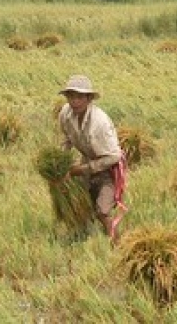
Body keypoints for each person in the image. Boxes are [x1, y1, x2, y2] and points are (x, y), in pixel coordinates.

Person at [58, 74, 125, 243]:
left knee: (102, 211)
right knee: (80, 204)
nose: (75, 101)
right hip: (86, 162)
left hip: (109, 169)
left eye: (80, 97)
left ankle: (117, 244)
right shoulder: (66, 114)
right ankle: (81, 238)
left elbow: (114, 156)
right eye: (71, 96)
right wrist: (61, 164)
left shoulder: (99, 123)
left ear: (88, 98)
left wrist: (80, 170)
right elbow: (67, 139)